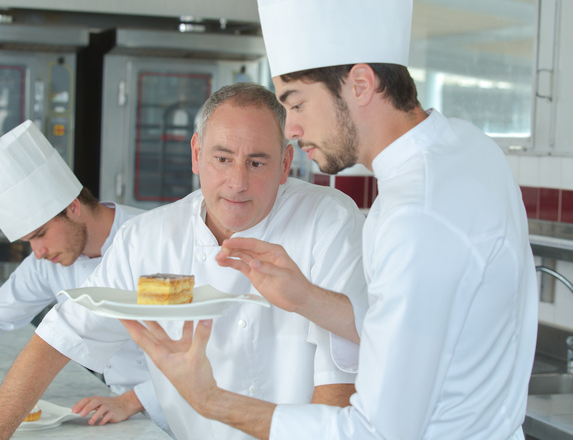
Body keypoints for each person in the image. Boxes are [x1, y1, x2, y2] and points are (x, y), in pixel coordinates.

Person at [121, 0, 540, 439]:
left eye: (296, 104)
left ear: (360, 84)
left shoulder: (415, 216)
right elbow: (419, 326)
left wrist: (209, 401)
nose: (292, 130)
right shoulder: (469, 146)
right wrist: (306, 298)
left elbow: (373, 433)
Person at [0, 82, 368, 440]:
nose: (237, 183)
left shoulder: (327, 221)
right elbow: (60, 338)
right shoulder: (148, 238)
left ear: (285, 165)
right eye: (222, 158)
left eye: (257, 162)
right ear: (197, 154)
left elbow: (338, 375)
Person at [0, 120, 160, 427]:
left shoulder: (157, 238)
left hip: (188, 407)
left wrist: (134, 401)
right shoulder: (47, 262)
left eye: (40, 233)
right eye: (28, 240)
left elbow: (217, 343)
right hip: (117, 412)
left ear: (72, 207)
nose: (38, 251)